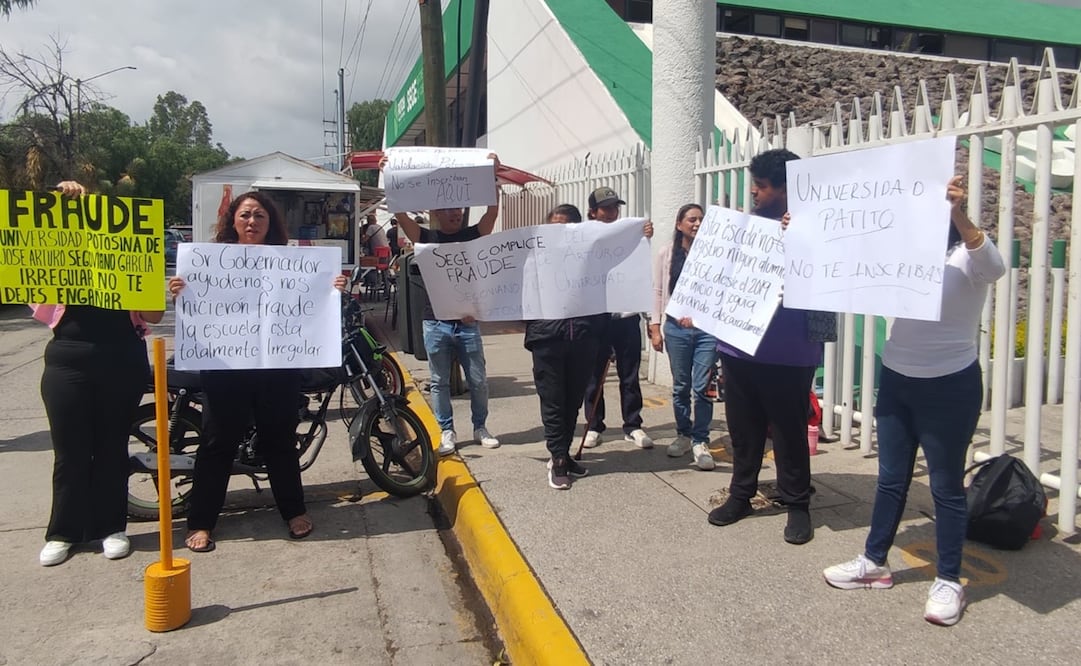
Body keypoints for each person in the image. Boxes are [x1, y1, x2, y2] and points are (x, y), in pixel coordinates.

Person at [823, 176, 1006, 626]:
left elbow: (996, 266)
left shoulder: (967, 257)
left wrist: (958, 213)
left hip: (949, 385)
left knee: (945, 486)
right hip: (897, 379)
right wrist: (802, 228)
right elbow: (840, 254)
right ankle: (874, 562)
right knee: (890, 479)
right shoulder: (902, 254)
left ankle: (948, 579)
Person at [168, 192, 348, 553]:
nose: (252, 221)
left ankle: (293, 511)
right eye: (245, 215)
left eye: (259, 215)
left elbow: (310, 303)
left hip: (277, 368)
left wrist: (332, 289)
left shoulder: (290, 261)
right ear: (233, 220)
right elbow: (198, 307)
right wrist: (180, 292)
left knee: (279, 440)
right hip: (226, 367)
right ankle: (201, 521)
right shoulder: (211, 261)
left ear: (271, 222)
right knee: (217, 443)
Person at [35, 180, 165, 567]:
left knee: (111, 447)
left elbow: (155, 315)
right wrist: (61, 201)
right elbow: (35, 246)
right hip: (67, 359)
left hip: (121, 358)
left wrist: (145, 279)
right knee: (69, 451)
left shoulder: (130, 260)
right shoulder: (60, 257)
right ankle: (63, 532)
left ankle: (112, 528)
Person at [706, 149, 828, 546]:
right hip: (739, 347)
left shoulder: (821, 227)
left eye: (760, 185)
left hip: (791, 350)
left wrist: (804, 235)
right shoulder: (744, 228)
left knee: (790, 430)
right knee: (743, 428)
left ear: (785, 189)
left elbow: (834, 274)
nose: (753, 192)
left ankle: (797, 502)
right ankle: (741, 494)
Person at [387, 153, 502, 455]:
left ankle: (480, 426)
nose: (455, 213)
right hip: (435, 322)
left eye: (459, 208)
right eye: (449, 208)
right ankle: (446, 431)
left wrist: (490, 178)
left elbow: (491, 213)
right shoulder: (425, 237)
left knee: (478, 380)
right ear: (437, 211)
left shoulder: (473, 235)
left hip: (467, 321)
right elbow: (401, 216)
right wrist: (390, 177)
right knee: (439, 382)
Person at [525, 204, 609, 489]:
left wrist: (641, 235)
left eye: (567, 226)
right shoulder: (534, 257)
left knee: (573, 400)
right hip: (547, 339)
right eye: (555, 226)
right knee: (553, 401)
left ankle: (564, 453)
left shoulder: (590, 257)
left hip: (583, 338)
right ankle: (558, 458)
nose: (560, 231)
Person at [581, 186, 654, 450]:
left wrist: (644, 236)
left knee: (629, 374)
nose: (612, 212)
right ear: (593, 212)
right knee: (594, 375)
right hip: (596, 317)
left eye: (615, 207)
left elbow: (642, 269)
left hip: (626, 316)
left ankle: (633, 425)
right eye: (606, 208)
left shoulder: (629, 235)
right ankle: (593, 425)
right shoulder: (584, 237)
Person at [648, 203, 718, 471]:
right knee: (681, 386)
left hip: (706, 331)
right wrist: (655, 327)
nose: (697, 223)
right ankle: (683, 434)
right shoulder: (667, 253)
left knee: (702, 388)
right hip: (676, 329)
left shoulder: (713, 253)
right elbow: (657, 291)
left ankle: (701, 440)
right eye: (692, 219)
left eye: (701, 219)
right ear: (679, 224)